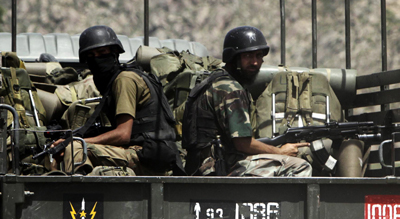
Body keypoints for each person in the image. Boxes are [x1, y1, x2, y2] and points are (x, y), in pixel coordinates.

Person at [51, 25, 183, 176]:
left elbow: (123, 134)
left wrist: (78, 142)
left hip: (147, 156)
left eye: (102, 53)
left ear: (114, 53)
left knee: (75, 148)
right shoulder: (124, 78)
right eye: (91, 55)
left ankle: (77, 193)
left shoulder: (124, 79)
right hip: (153, 154)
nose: (97, 59)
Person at [182, 26, 312, 177]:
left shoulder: (215, 81)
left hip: (205, 164)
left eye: (258, 56)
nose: (255, 62)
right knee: (299, 166)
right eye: (248, 56)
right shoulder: (230, 89)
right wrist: (280, 151)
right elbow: (243, 144)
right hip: (220, 167)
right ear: (233, 58)